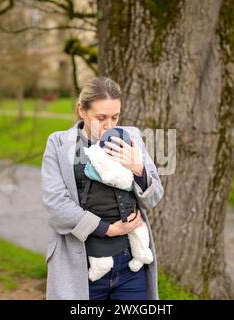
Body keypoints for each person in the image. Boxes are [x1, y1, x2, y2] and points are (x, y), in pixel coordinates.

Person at [41, 76, 164, 300]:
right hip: (81, 266)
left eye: (115, 117)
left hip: (130, 267)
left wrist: (138, 169)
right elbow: (56, 205)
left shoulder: (131, 138)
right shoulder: (58, 144)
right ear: (82, 110)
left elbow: (153, 199)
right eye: (101, 118)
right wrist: (108, 229)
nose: (109, 125)